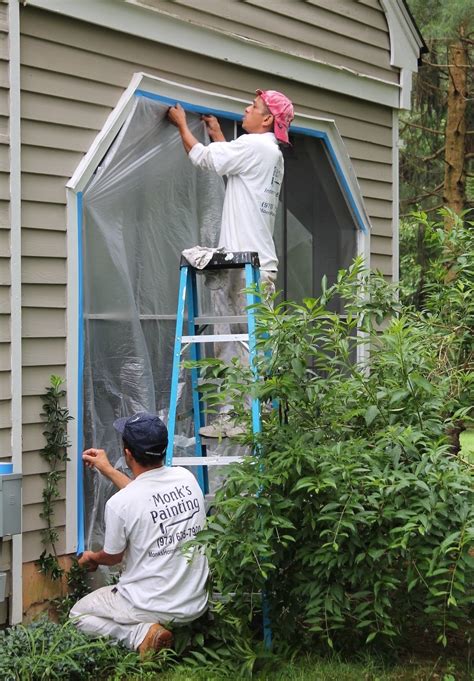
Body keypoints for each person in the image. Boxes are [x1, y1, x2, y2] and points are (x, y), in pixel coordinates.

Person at [167, 90, 294, 437]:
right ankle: (237, 415)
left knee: (242, 344)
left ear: (267, 119)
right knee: (243, 342)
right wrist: (219, 136)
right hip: (254, 263)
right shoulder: (271, 153)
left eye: (254, 107)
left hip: (247, 265)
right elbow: (235, 173)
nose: (247, 109)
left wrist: (181, 125)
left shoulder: (257, 146)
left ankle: (240, 417)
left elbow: (204, 159)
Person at [70, 412, 209, 656]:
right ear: (164, 448)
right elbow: (145, 497)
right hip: (194, 600)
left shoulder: (119, 504)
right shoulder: (187, 479)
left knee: (78, 615)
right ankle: (161, 632)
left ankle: (141, 635)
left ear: (127, 454)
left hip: (151, 603)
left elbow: (112, 558)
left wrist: (91, 558)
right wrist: (108, 470)